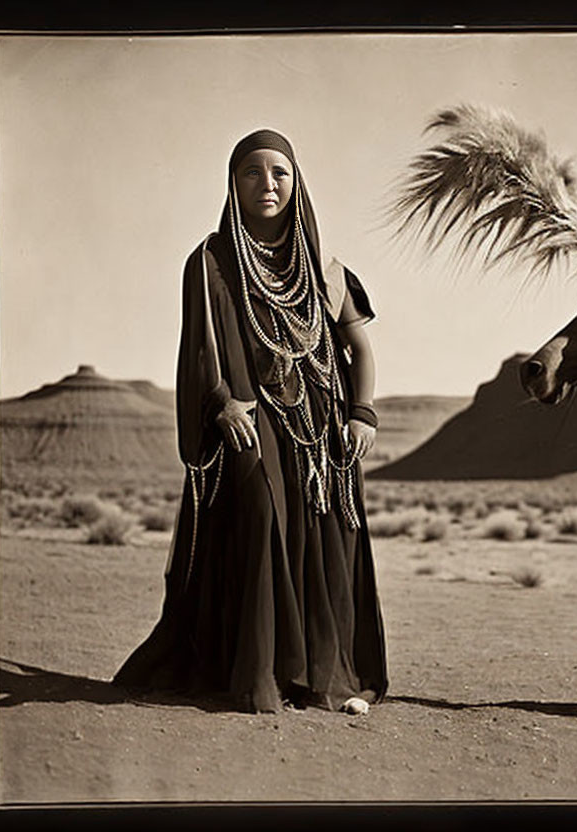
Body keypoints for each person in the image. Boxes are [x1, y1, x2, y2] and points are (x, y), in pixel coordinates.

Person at [113, 129, 387, 715]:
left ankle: (319, 677)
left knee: (323, 539)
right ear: (233, 185)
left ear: (296, 182)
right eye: (252, 173)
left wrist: (362, 413)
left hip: (321, 429)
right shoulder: (210, 261)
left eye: (279, 173)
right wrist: (219, 402)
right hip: (250, 416)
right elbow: (201, 348)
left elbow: (359, 348)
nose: (267, 184)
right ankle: (261, 672)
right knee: (262, 516)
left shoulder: (326, 268)